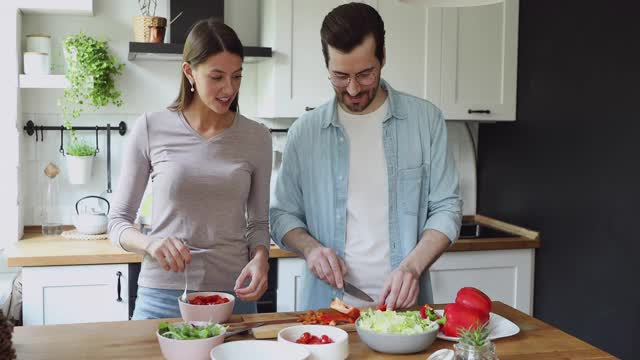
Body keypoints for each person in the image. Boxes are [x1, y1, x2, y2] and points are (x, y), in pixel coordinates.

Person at [270, 3, 462, 311]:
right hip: (329, 310)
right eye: (340, 76)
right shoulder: (305, 132)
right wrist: (311, 250)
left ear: (383, 57)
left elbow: (447, 208)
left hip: (406, 312)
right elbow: (281, 215)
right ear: (327, 66)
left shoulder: (426, 121)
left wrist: (411, 268)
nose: (354, 88)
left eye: (365, 74)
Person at [108, 19, 272, 319]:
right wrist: (151, 243)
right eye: (217, 77)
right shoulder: (150, 127)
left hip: (234, 295)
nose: (229, 88)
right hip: (161, 295)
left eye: (237, 76)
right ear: (189, 72)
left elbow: (259, 224)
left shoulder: (257, 137)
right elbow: (117, 222)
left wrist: (262, 258)